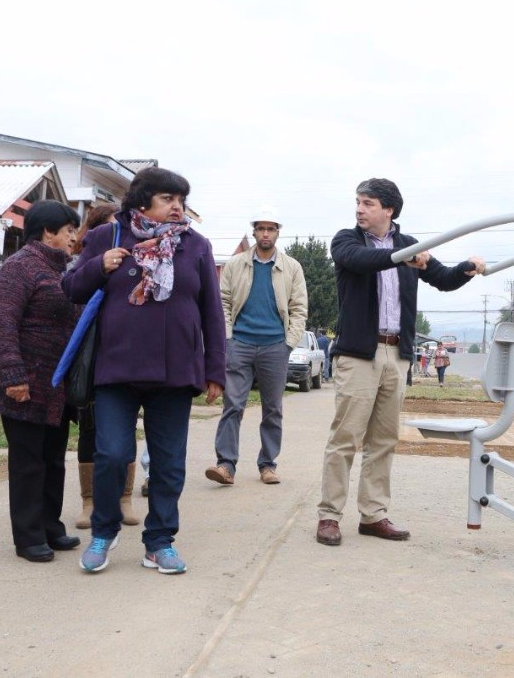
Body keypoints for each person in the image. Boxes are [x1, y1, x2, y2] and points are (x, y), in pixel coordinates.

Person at [62, 167, 226, 574]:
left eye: (180, 201)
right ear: (141, 201)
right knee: (111, 453)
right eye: (168, 199)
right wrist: (98, 265)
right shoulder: (107, 237)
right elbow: (72, 290)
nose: (176, 207)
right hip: (117, 368)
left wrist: (215, 370)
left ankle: (159, 542)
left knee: (169, 463)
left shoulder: (196, 246)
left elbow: (211, 313)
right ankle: (104, 532)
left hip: (175, 371)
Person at [315, 178, 485, 547]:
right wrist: (400, 258)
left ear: (389, 210)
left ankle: (373, 515)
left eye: (368, 203)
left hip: (398, 353)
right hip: (359, 353)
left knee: (384, 439)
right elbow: (359, 262)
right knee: (345, 438)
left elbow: (442, 278)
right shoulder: (347, 240)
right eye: (358, 202)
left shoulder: (411, 246)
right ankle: (329, 516)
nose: (359, 209)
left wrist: (467, 267)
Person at [0, 200, 82, 563]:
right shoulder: (19, 267)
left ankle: (50, 528)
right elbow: (4, 325)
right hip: (24, 385)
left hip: (55, 388)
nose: (74, 237)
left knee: (53, 459)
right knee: (28, 462)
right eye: (69, 230)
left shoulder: (63, 271)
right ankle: (27, 538)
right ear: (48, 232)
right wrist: (13, 376)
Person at [205, 207, 307, 486]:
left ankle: (268, 465)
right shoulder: (236, 264)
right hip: (240, 343)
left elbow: (299, 309)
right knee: (233, 404)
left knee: (272, 408)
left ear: (277, 233)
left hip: (275, 346)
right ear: (254, 232)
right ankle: (225, 464)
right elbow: (222, 301)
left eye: (270, 229)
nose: (265, 233)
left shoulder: (292, 267)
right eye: (260, 228)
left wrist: (288, 343)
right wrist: (228, 337)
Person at [69, 203, 141, 530]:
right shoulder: (86, 262)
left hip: (124, 354)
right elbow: (73, 295)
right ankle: (89, 501)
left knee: (127, 428)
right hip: (92, 354)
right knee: (89, 426)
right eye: (113, 226)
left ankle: (124, 498)